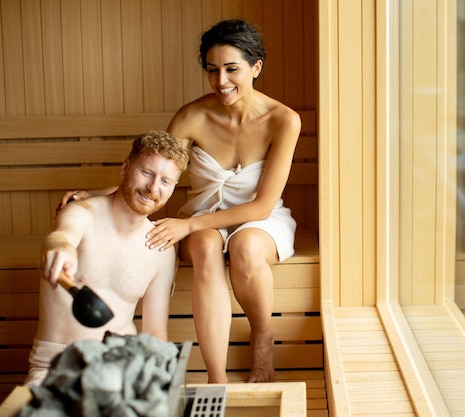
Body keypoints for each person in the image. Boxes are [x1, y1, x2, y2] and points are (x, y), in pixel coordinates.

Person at [59, 19, 301, 383]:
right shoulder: (192, 116)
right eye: (212, 70)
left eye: (232, 69)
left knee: (246, 248)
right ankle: (216, 379)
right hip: (203, 217)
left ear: (256, 67)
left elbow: (262, 206)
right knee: (203, 245)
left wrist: (187, 224)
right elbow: (156, 172)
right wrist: (100, 195)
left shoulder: (283, 121)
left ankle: (263, 338)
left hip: (260, 220)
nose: (221, 81)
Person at [26, 130, 189, 385]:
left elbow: (155, 332)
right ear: (126, 168)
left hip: (122, 370)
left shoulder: (162, 248)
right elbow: (62, 236)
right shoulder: (82, 214)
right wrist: (61, 248)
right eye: (146, 173)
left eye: (165, 181)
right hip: (57, 368)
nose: (153, 187)